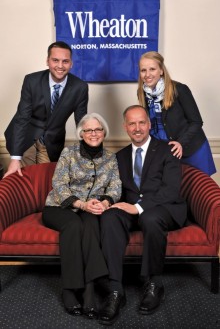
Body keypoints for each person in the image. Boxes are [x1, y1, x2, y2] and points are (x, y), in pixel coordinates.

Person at [98, 105, 187, 326]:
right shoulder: (118, 157)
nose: (137, 128)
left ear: (149, 124)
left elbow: (170, 190)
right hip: (129, 207)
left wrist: (138, 208)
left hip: (163, 208)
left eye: (141, 123)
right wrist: (108, 202)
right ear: (125, 127)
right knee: (109, 217)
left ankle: (154, 283)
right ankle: (116, 290)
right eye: (132, 124)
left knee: (150, 217)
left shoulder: (168, 150)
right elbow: (113, 188)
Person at [42, 113, 121, 319]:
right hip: (59, 208)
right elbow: (58, 184)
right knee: (74, 225)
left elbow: (115, 187)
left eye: (97, 129)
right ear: (81, 134)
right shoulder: (69, 153)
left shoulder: (111, 158)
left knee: (91, 226)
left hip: (92, 208)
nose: (93, 133)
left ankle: (89, 293)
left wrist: (103, 203)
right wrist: (81, 204)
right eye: (88, 130)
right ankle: (69, 290)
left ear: (104, 133)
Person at [4, 41, 88, 178]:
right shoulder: (31, 81)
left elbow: (82, 122)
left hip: (52, 142)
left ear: (71, 64)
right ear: (47, 61)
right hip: (24, 138)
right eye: (55, 60)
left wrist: (87, 154)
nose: (60, 66)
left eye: (65, 61)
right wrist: (15, 158)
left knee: (46, 183)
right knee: (25, 179)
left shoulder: (80, 87)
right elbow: (22, 118)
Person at [137, 51, 216, 176]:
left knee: (200, 190)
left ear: (161, 70)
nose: (147, 74)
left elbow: (196, 122)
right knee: (175, 191)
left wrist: (181, 143)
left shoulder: (180, 89)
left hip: (191, 149)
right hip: (166, 151)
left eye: (152, 69)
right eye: (143, 70)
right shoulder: (142, 93)